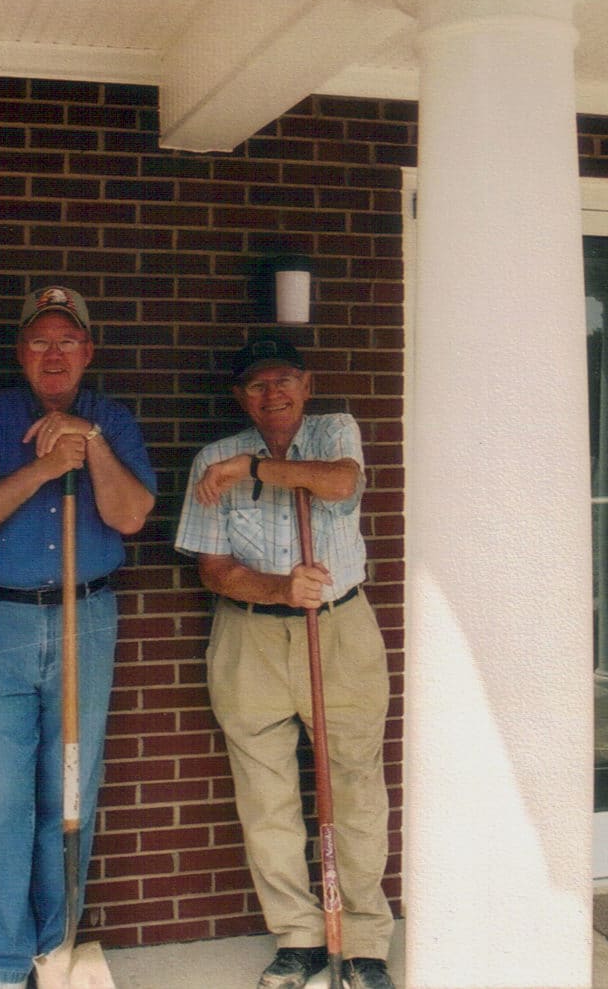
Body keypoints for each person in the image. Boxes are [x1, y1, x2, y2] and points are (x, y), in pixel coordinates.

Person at [0, 284, 157, 989]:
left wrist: (87, 444)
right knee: (5, 797)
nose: (54, 352)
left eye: (68, 339)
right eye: (41, 340)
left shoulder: (112, 419)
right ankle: (5, 967)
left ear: (88, 350)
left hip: (83, 620)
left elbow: (129, 516)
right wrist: (43, 466)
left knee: (70, 791)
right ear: (21, 352)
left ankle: (54, 950)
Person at [174, 335, 396, 989]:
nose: (271, 394)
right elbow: (213, 569)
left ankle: (360, 943)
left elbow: (340, 482)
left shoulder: (335, 431)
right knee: (265, 795)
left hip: (340, 630)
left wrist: (256, 468)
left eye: (282, 381)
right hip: (251, 640)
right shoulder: (209, 460)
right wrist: (278, 588)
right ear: (240, 396)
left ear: (306, 382)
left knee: (354, 786)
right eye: (255, 385)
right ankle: (299, 937)